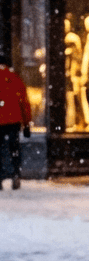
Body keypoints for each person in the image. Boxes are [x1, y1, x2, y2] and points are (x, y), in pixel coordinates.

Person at [0, 52, 32, 190]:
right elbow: (24, 102)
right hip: (14, 120)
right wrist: (26, 123)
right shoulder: (15, 78)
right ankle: (16, 174)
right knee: (14, 148)